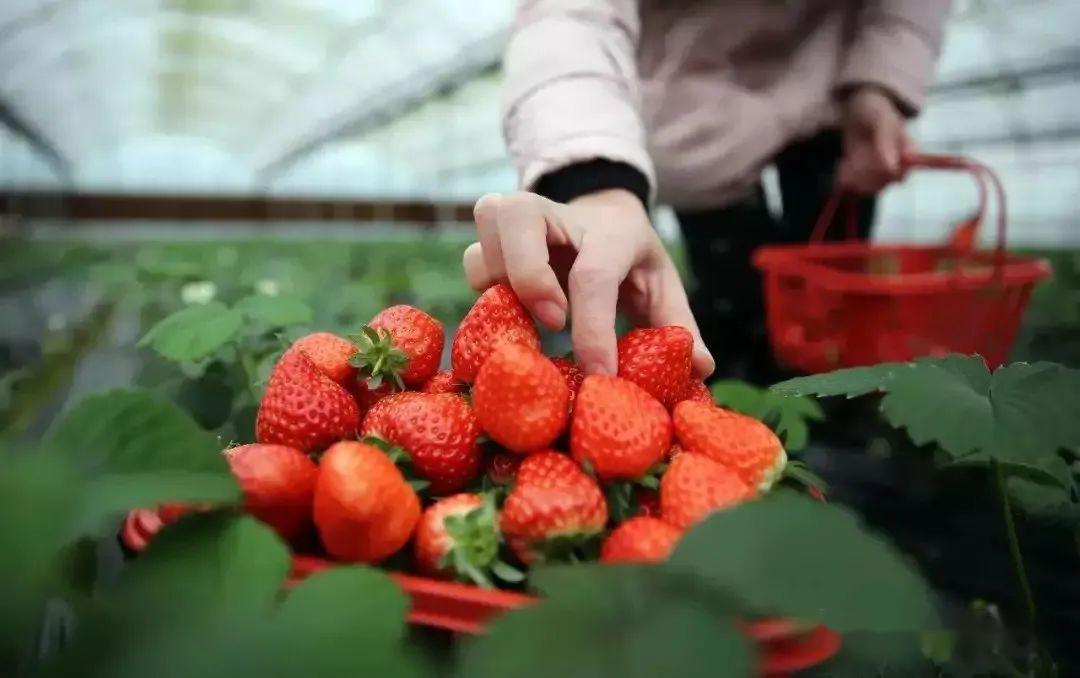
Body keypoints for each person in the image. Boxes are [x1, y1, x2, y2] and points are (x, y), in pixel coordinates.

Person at [463, 0, 951, 382]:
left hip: (833, 106)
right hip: (699, 120)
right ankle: (742, 422)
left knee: (829, 318)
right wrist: (596, 182)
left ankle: (821, 433)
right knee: (730, 310)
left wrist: (880, 82)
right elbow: (569, 17)